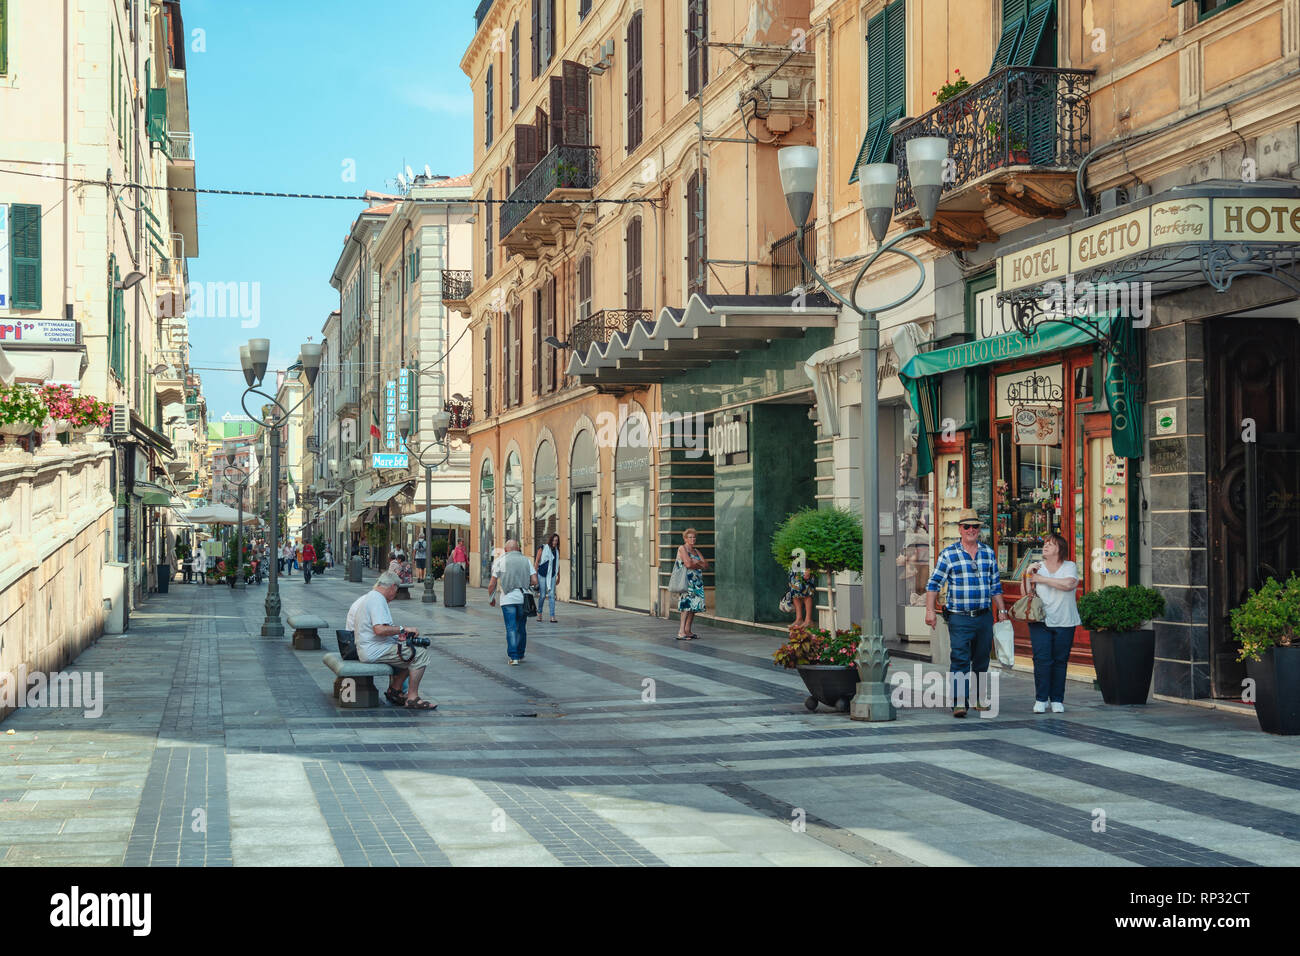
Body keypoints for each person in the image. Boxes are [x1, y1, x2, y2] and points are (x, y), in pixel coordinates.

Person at [925, 508, 1010, 718]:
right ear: (959, 529)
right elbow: (934, 583)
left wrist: (1002, 611)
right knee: (961, 659)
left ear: (979, 529)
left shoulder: (988, 553)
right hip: (959, 617)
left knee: (981, 659)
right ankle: (959, 702)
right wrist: (930, 611)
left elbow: (995, 586)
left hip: (983, 616)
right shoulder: (949, 554)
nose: (971, 530)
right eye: (967, 526)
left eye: (975, 526)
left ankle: (979, 697)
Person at [345, 571, 436, 710]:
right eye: (396, 590)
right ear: (393, 586)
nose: (395, 595)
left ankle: (395, 689)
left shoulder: (372, 596)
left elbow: (380, 629)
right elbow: (379, 630)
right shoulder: (377, 599)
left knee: (410, 650)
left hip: (369, 648)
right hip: (373, 650)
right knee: (419, 653)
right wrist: (402, 629)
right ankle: (412, 698)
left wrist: (397, 636)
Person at [1024, 532, 1081, 713]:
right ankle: (1041, 698)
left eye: (1051, 544)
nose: (1045, 546)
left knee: (1059, 661)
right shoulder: (1036, 567)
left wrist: (1042, 579)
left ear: (1060, 549)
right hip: (1040, 620)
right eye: (1045, 543)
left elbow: (1069, 584)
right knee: (1042, 659)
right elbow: (1026, 593)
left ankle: (1057, 698)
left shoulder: (1069, 566)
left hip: (1065, 621)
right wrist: (1027, 574)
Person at [488, 540, 537, 665]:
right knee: (521, 627)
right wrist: (524, 581)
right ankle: (520, 654)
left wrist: (491, 598)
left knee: (511, 628)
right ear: (518, 549)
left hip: (508, 599)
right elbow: (534, 580)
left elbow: (492, 584)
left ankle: (513, 657)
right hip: (522, 598)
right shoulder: (525, 560)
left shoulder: (501, 561)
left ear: (506, 550)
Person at [674, 528, 708, 640]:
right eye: (690, 537)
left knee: (694, 606)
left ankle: (688, 630)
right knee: (686, 606)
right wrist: (698, 563)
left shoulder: (696, 551)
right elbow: (688, 564)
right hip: (687, 581)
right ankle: (681, 631)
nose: (693, 539)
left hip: (697, 582)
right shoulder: (682, 548)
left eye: (694, 537)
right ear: (685, 538)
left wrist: (696, 562)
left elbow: (706, 565)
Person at [534, 533, 560, 623]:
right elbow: (537, 561)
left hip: (552, 575)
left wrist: (558, 575)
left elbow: (557, 564)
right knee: (542, 596)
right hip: (542, 574)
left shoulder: (556, 551)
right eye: (553, 540)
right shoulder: (543, 548)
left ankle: (552, 616)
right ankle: (539, 614)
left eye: (556, 540)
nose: (555, 542)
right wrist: (535, 576)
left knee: (552, 595)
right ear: (550, 540)